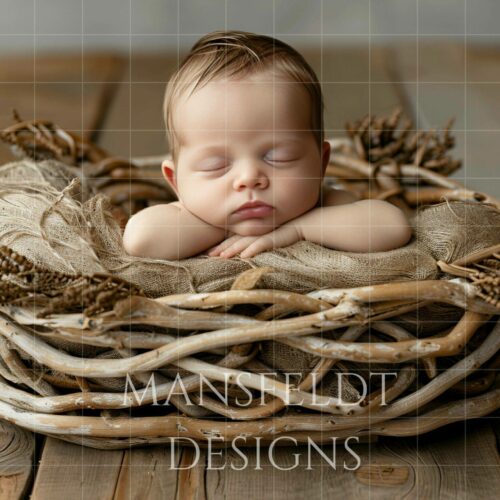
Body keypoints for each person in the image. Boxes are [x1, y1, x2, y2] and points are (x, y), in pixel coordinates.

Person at [123, 30, 411, 260]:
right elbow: (140, 239)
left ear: (321, 165)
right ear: (176, 181)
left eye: (279, 157)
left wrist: (298, 229)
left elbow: (394, 226)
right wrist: (221, 224)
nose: (249, 178)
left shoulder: (325, 206)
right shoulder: (184, 219)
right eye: (216, 165)